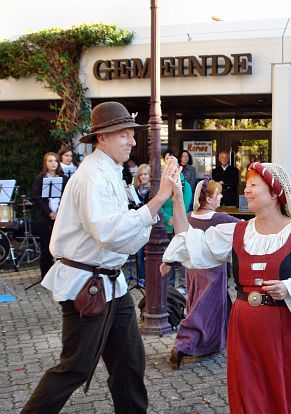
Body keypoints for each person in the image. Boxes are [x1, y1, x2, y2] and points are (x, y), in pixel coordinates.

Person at [22, 101, 180, 414]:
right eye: (124, 134)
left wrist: (152, 212)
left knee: (129, 363)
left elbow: (126, 241)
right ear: (102, 137)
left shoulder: (112, 172)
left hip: (111, 285)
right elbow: (110, 232)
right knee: (75, 367)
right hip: (87, 285)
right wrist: (159, 199)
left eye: (132, 134)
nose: (132, 141)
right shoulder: (92, 176)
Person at [163, 161, 291, 413]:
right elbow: (190, 243)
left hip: (284, 330)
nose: (246, 190)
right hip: (244, 328)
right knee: (250, 391)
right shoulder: (237, 231)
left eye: (254, 185)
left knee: (290, 388)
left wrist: (290, 288)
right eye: (247, 184)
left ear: (275, 193)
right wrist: (178, 198)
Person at [165, 178, 240, 369]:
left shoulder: (190, 216)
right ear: (209, 198)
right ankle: (183, 344)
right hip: (213, 272)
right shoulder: (221, 218)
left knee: (210, 304)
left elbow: (180, 239)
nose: (220, 197)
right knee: (202, 310)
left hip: (193, 271)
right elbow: (245, 228)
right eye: (218, 194)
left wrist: (170, 261)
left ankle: (217, 340)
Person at [32, 152, 67, 279]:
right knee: (46, 248)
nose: (53, 163)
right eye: (50, 161)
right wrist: (49, 212)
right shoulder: (40, 179)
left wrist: (59, 212)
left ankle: (62, 275)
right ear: (45, 163)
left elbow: (67, 197)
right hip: (44, 218)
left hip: (61, 217)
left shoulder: (64, 178)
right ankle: (46, 276)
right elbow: (37, 198)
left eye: (55, 161)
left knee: (62, 247)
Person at [131, 163, 152, 284]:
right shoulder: (135, 189)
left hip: (149, 223)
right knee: (139, 253)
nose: (143, 176)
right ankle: (141, 277)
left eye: (146, 174)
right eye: (141, 174)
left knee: (150, 252)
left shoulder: (153, 189)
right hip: (138, 224)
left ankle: (151, 276)